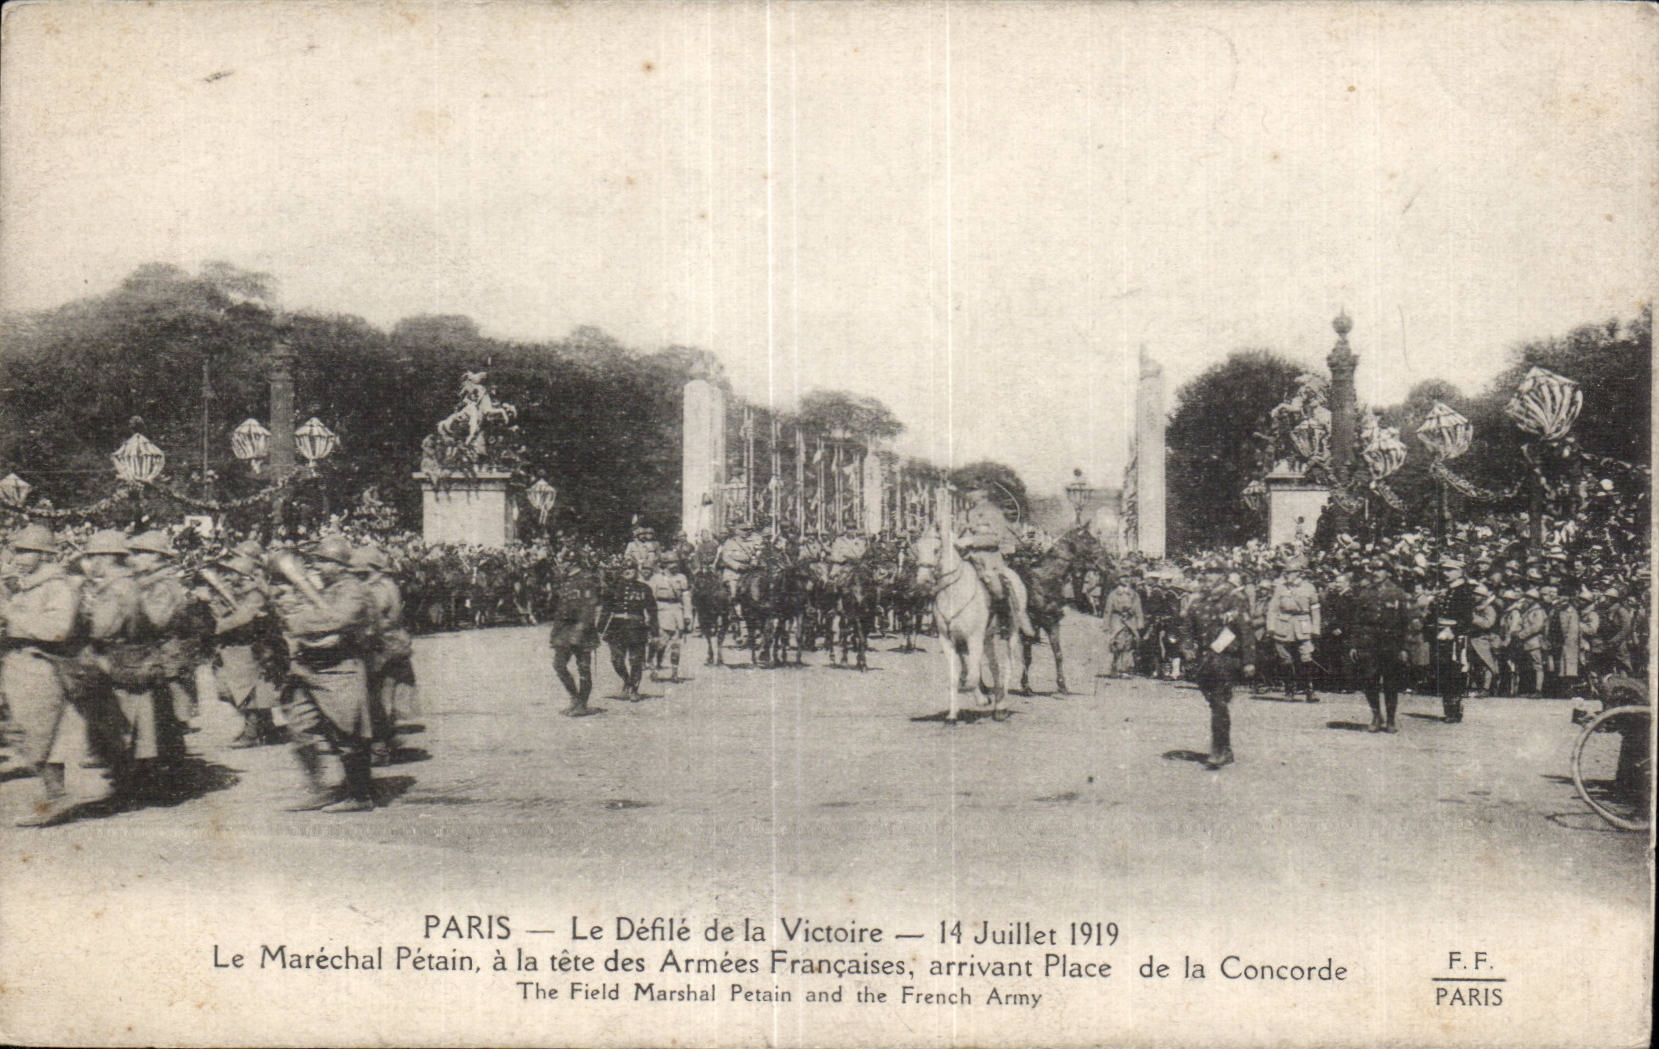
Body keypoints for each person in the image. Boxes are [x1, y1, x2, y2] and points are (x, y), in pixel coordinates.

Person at [276, 535, 377, 813]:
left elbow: (338, 619)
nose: (316, 567)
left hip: (340, 670)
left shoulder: (353, 590)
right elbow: (322, 622)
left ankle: (359, 794)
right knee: (300, 727)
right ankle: (320, 789)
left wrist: (298, 621)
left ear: (340, 565)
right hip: (309, 669)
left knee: (348, 732)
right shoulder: (328, 589)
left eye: (322, 561)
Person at [3, 524, 90, 826]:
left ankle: (58, 797)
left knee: (40, 734)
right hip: (19, 666)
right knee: (28, 734)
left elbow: (57, 629)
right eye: (16, 550)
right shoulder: (27, 584)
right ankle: (57, 796)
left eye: (26, 551)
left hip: (42, 667)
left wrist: (9, 614)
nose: (18, 557)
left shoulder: (58, 586)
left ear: (44, 554)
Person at [200, 549, 283, 748]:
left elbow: (243, 617)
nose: (227, 577)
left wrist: (216, 627)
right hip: (237, 646)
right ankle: (265, 727)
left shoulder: (255, 593)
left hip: (252, 647)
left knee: (249, 692)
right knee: (241, 690)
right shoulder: (239, 591)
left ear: (244, 575)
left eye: (232, 573)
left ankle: (252, 731)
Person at [1182, 567, 1256, 769]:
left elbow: (1246, 630)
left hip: (1226, 658)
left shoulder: (1235, 599)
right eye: (1207, 572)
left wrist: (1249, 660)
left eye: (1215, 572)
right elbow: (1187, 628)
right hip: (1205, 660)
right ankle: (1226, 749)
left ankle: (1219, 751)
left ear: (1223, 576)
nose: (1209, 576)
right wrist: (1187, 647)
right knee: (1214, 702)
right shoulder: (1198, 602)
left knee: (1218, 701)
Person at [353, 544, 417, 765]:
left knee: (376, 698)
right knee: (382, 697)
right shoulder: (387, 584)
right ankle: (385, 742)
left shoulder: (378, 588)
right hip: (392, 644)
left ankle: (380, 748)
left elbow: (372, 616)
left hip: (382, 647)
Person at [955, 485, 1036, 637]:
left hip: (989, 561)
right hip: (966, 559)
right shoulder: (965, 514)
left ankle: (1004, 622)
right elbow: (958, 533)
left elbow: (996, 538)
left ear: (983, 493)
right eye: (969, 491)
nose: (969, 494)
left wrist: (972, 540)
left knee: (998, 589)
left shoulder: (995, 513)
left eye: (973, 490)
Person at [1348, 559, 1410, 733]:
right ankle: (1376, 715)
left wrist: (1404, 647)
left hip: (1391, 643)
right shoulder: (1365, 593)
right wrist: (1354, 644)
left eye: (1379, 570)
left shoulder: (1397, 593)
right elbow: (1357, 621)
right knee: (1369, 680)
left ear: (1387, 573)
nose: (1375, 573)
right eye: (1372, 569)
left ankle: (1390, 719)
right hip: (1369, 643)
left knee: (1391, 682)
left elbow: (1405, 623)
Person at [548, 557, 601, 716]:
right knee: (559, 665)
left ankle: (583, 704)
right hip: (565, 630)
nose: (560, 566)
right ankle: (574, 698)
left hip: (582, 631)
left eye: (562, 562)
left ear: (572, 564)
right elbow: (561, 609)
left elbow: (589, 607)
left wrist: (580, 629)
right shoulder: (566, 582)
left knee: (583, 668)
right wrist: (555, 633)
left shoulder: (586, 581)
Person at [1427, 556, 1477, 723]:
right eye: (1445, 570)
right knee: (1444, 671)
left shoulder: (1464, 591)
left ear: (1461, 571)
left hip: (1456, 637)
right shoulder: (1447, 590)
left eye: (1450, 570)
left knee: (1455, 671)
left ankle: (1454, 710)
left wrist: (1453, 629)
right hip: (1441, 635)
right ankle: (1449, 709)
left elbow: (1467, 619)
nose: (1446, 573)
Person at [1266, 558, 1322, 702]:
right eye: (1287, 572)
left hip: (1303, 625)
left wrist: (1316, 628)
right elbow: (1273, 608)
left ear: (1299, 573)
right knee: (1285, 660)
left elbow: (1315, 610)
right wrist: (1271, 627)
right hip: (1284, 625)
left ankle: (1310, 690)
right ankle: (1289, 690)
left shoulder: (1309, 587)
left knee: (1306, 658)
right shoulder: (1280, 588)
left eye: (1291, 572)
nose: (1288, 575)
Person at [602, 564, 657, 701]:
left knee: (636, 660)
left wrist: (654, 632)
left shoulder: (644, 588)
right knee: (616, 660)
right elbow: (606, 610)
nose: (627, 572)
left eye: (631, 569)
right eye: (624, 569)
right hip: (616, 628)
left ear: (636, 571)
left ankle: (634, 689)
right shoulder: (613, 588)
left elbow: (652, 611)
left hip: (636, 627)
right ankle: (627, 681)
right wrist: (598, 630)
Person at [645, 556, 691, 682]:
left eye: (675, 562)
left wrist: (687, 615)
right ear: (664, 564)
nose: (674, 565)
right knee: (660, 643)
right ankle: (652, 664)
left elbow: (686, 598)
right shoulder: (656, 578)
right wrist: (649, 616)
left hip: (677, 611)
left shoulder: (682, 578)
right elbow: (650, 599)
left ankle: (674, 672)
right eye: (670, 563)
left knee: (676, 644)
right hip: (661, 611)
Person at [1102, 574, 1144, 678]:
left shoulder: (1134, 594)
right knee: (1117, 644)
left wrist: (1140, 622)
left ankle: (1125, 669)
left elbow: (1138, 608)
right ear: (1118, 580)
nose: (1125, 580)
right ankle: (1115, 666)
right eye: (1123, 577)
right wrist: (1106, 624)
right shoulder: (1113, 594)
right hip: (1117, 619)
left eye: (1128, 577)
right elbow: (1108, 610)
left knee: (1128, 644)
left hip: (1130, 620)